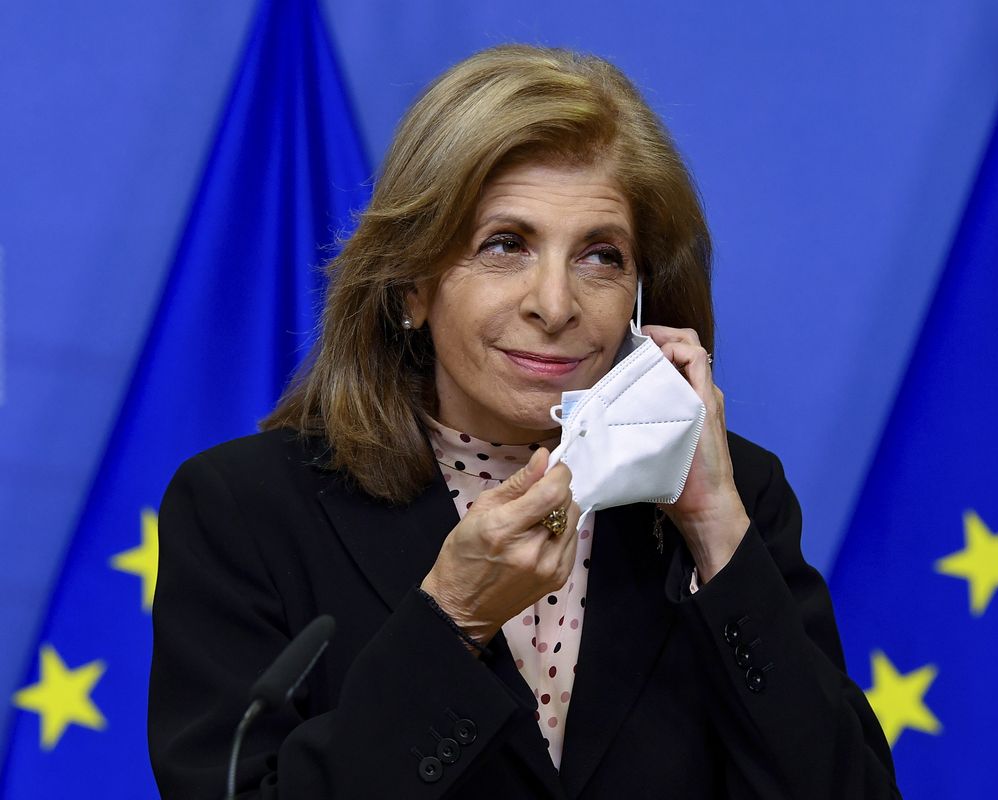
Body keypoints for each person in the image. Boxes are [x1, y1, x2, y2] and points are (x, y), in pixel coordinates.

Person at [148, 44, 899, 799]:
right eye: (505, 245)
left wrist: (714, 533)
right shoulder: (243, 511)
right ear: (413, 286)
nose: (555, 304)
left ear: (642, 300)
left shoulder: (736, 496)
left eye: (601, 257)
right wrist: (451, 621)